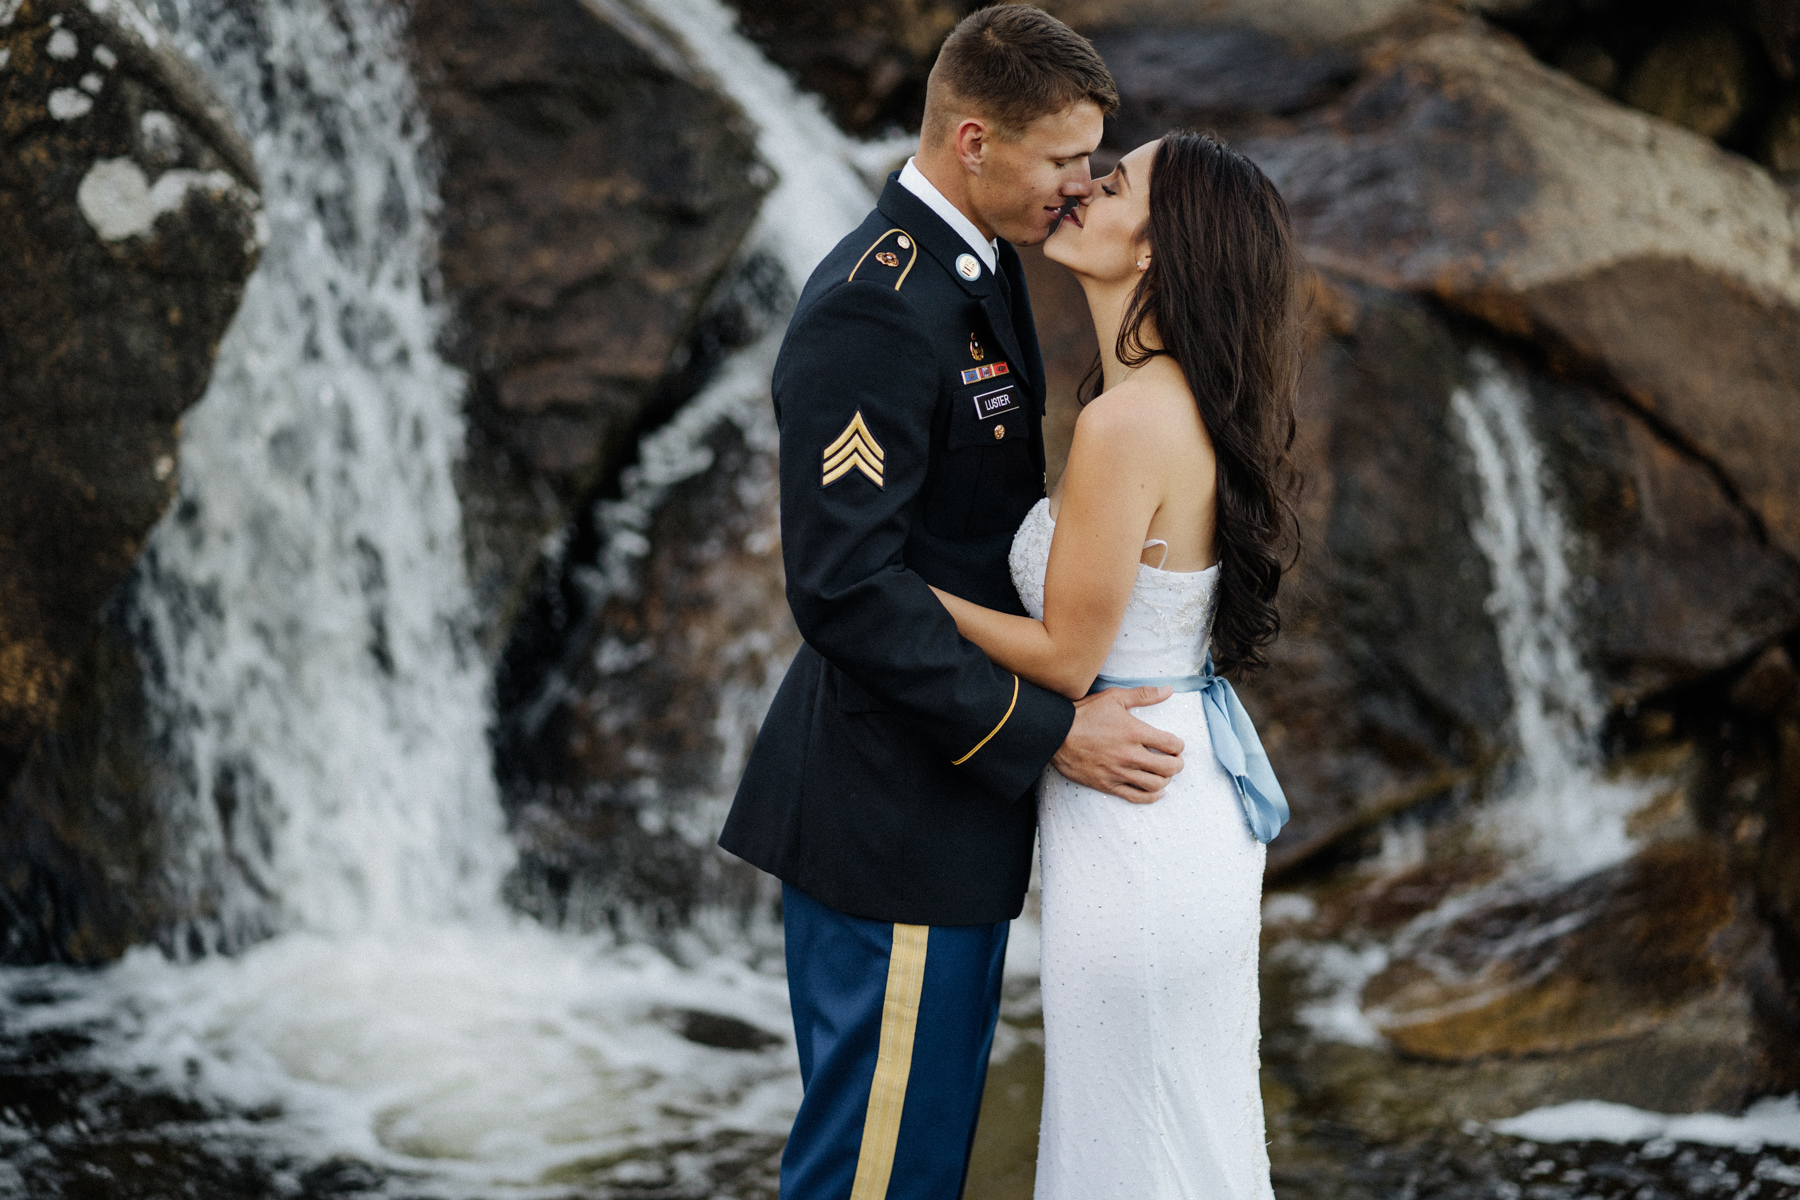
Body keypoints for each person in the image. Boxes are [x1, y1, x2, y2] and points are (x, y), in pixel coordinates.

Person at [720, 8, 1189, 1199]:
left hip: (942, 811)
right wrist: (1048, 731)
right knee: (875, 1173)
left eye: (1094, 161)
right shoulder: (875, 304)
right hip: (894, 816)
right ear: (973, 139)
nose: (1079, 188)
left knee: (916, 1163)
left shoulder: (972, 268)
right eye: (1061, 160)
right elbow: (843, 588)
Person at [929, 130, 1302, 1199]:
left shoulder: (1128, 420)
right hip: (1169, 789)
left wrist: (903, 597)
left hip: (1137, 812)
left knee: (1130, 1143)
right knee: (1169, 1129)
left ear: (1156, 247)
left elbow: (1064, 655)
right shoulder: (1172, 400)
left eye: (1116, 179)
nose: (1085, 187)